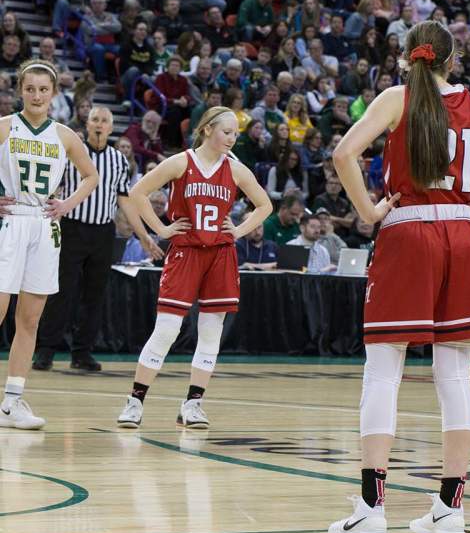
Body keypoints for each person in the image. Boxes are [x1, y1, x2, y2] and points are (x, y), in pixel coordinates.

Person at [328, 20, 470, 533]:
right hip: (459, 238)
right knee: (455, 374)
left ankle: (371, 508)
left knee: (384, 371)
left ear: (408, 58)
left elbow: (342, 155)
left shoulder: (397, 98)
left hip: (408, 231)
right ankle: (450, 509)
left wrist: (368, 210)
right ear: (454, 58)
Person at [117, 106, 271, 428]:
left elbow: (265, 205)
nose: (232, 138)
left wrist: (239, 230)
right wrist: (160, 230)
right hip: (186, 251)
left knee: (211, 332)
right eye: (227, 132)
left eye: (235, 134)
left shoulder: (236, 169)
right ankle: (135, 400)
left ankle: (193, 404)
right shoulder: (181, 162)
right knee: (168, 329)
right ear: (206, 130)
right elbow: (138, 193)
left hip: (221, 254)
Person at [0, 60, 99, 429]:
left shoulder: (65, 135)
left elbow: (91, 176)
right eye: (30, 89)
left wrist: (67, 204)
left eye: (44, 89)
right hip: (9, 223)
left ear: (54, 93)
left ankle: (12, 402)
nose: (37, 95)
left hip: (44, 225)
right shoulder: (5, 127)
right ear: (20, 91)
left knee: (30, 319)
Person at [33, 107, 162, 372]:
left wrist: (144, 236)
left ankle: (82, 353)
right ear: (87, 124)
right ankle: (45, 351)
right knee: (61, 292)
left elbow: (124, 200)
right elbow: (54, 189)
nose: (100, 124)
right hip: (71, 229)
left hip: (103, 232)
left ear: (111, 127)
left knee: (94, 295)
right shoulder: (72, 153)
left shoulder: (118, 160)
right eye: (95, 120)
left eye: (105, 120)